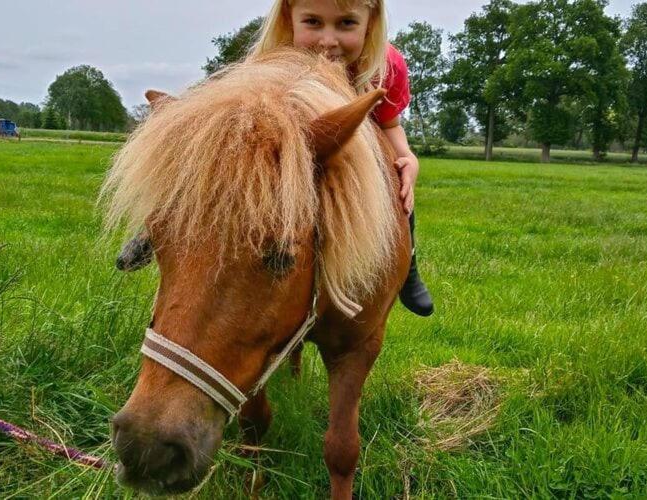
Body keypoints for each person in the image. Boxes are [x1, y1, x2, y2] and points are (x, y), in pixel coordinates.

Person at [116, 0, 433, 316]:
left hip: (355, 152)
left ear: (371, 23)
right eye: (312, 22)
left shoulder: (387, 66)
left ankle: (408, 267)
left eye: (346, 24)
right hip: (288, 151)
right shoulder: (272, 58)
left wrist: (407, 157)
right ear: (289, 18)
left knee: (401, 195)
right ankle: (154, 228)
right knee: (210, 160)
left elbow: (391, 123)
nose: (328, 40)